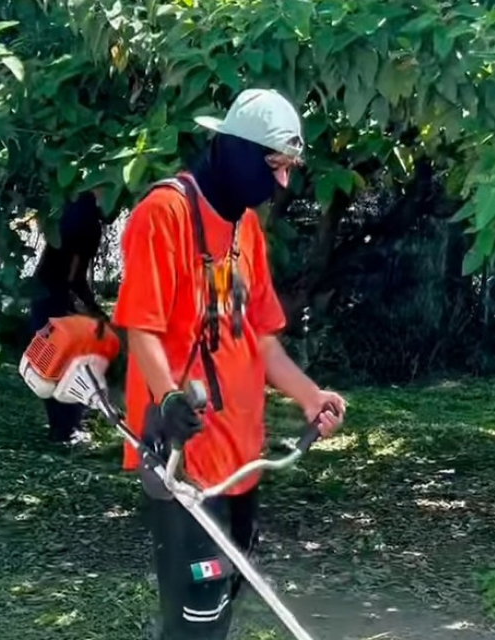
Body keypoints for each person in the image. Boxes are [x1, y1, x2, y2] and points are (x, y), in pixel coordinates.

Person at [111, 88, 347, 640]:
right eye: (275, 166)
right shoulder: (165, 213)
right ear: (237, 150)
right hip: (183, 456)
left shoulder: (245, 229)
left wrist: (310, 396)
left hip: (240, 455)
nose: (281, 183)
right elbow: (140, 327)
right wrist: (168, 397)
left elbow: (260, 340)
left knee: (221, 600)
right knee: (198, 619)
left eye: (290, 169)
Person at [29, 188, 110, 443]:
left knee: (48, 364)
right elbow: (75, 277)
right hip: (59, 298)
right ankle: (67, 430)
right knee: (73, 364)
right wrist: (95, 311)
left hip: (40, 292)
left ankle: (57, 428)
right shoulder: (88, 227)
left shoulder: (65, 219)